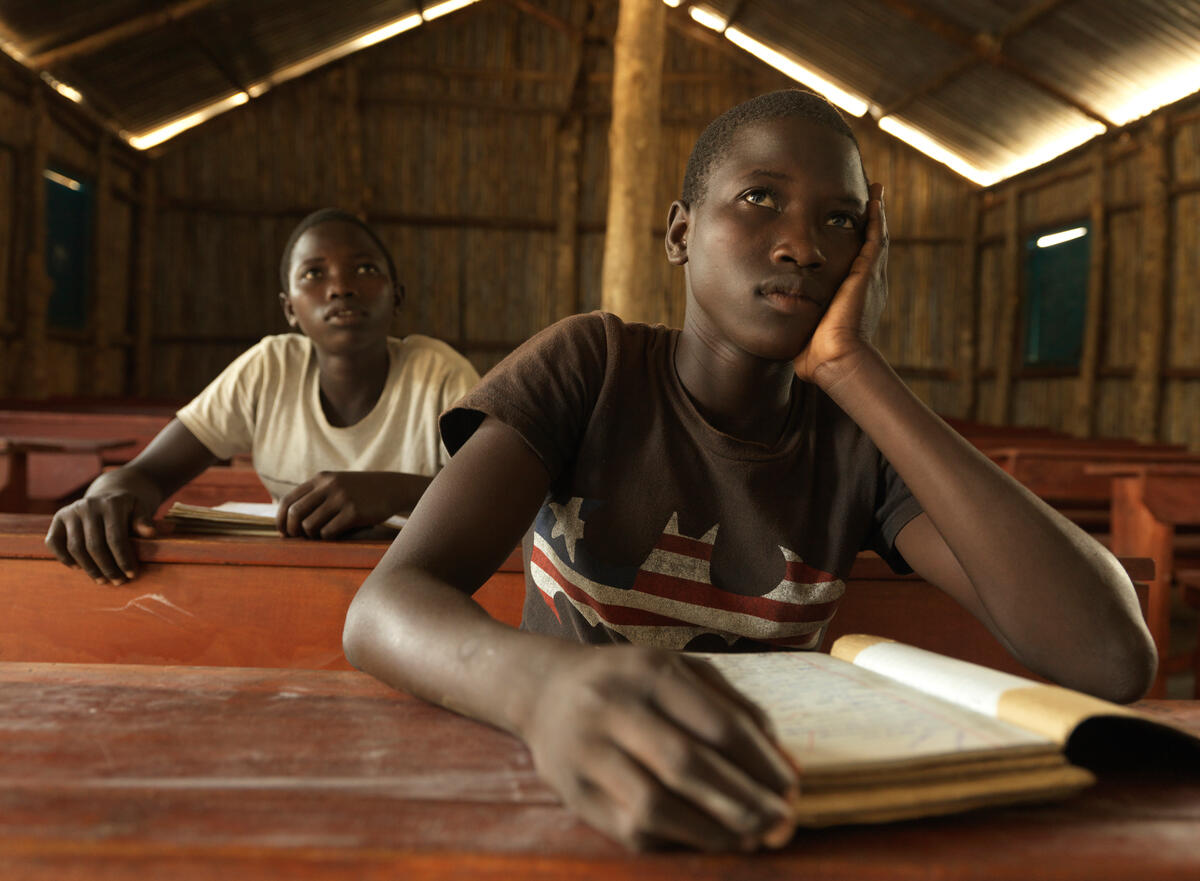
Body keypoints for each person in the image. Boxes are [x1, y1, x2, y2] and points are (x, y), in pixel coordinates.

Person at [341, 91, 1156, 851]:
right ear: (680, 233)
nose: (801, 244)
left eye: (840, 221)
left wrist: (850, 367)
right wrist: (545, 692)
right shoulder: (593, 366)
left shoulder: (857, 442)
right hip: (564, 791)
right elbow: (384, 608)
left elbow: (1109, 658)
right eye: (760, 198)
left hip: (766, 810)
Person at [45, 208, 479, 584]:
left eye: (365, 269)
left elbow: (502, 503)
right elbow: (147, 475)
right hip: (289, 580)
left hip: (419, 585)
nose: (340, 287)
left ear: (396, 295)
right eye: (314, 274)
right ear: (289, 308)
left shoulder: (439, 374)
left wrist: (398, 492)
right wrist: (104, 498)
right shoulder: (269, 368)